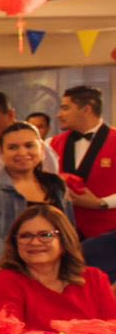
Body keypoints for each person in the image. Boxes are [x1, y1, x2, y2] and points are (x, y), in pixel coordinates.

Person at [0, 122, 75, 298]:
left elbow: (70, 235)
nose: (22, 153)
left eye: (29, 145)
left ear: (41, 150)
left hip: (54, 277)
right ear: (2, 153)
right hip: (3, 277)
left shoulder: (56, 186)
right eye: (13, 147)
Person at [0, 205, 116, 329]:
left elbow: (111, 331)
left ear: (64, 241)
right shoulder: (5, 281)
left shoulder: (94, 278)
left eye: (45, 235)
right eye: (25, 236)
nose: (34, 242)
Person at [52, 85, 116, 240]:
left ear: (86, 109)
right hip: (66, 233)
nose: (59, 115)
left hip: (109, 234)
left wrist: (101, 203)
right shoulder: (53, 143)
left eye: (65, 108)